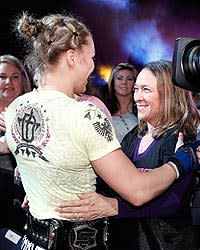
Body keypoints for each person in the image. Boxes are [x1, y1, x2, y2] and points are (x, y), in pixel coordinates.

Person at [3, 12, 199, 250]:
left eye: (145, 89)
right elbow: (136, 190)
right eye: (91, 58)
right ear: (72, 58)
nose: (92, 66)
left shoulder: (15, 108)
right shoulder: (85, 115)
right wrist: (182, 161)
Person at [54, 60, 200, 250]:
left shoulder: (181, 137)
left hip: (165, 242)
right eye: (136, 89)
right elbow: (109, 182)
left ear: (169, 95)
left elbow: (173, 202)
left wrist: (115, 206)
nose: (137, 97)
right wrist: (55, 190)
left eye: (146, 90)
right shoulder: (134, 136)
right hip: (128, 239)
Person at [0, 54, 31, 233]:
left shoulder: (33, 113)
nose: (8, 82)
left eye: (15, 76)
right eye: (2, 77)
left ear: (22, 80)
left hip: (25, 201)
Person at [107, 62, 138, 142]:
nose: (124, 82)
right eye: (119, 78)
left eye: (129, 79)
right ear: (112, 82)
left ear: (135, 84)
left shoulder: (142, 109)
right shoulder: (103, 110)